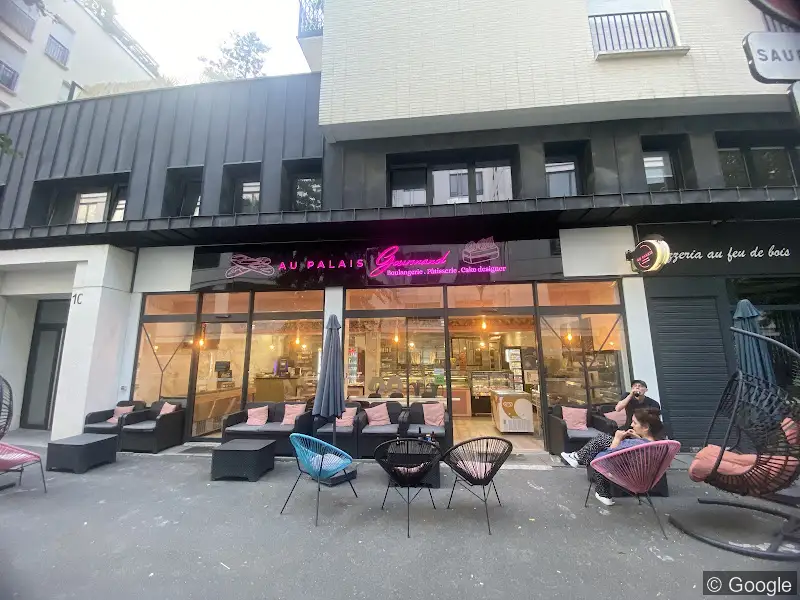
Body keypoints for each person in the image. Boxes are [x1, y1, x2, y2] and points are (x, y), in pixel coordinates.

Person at [560, 379, 659, 468]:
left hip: (638, 439)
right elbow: (618, 408)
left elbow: (653, 427)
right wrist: (630, 395)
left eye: (640, 386)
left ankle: (578, 457)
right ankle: (581, 459)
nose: (637, 388)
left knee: (602, 440)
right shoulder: (628, 397)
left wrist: (628, 437)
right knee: (603, 441)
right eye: (634, 386)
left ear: (646, 390)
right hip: (629, 431)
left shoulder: (653, 404)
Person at [589, 409, 666, 506]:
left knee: (602, 442)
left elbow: (604, 459)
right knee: (605, 441)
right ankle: (577, 457)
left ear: (645, 427)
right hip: (646, 480)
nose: (631, 425)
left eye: (634, 422)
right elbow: (644, 446)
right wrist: (639, 438)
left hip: (626, 478)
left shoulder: (633, 444)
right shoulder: (660, 445)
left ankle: (602, 492)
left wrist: (617, 439)